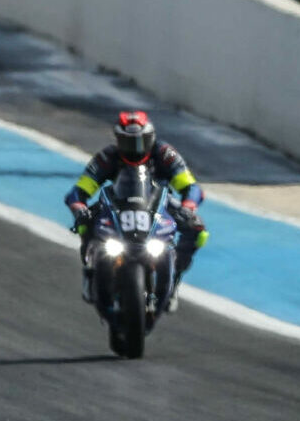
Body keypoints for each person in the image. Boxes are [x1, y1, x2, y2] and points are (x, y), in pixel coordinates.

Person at [65, 111, 208, 298]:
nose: (136, 148)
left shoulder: (165, 154)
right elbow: (78, 192)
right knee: (85, 223)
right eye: (129, 142)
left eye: (142, 140)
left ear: (151, 137)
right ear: (118, 140)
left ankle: (175, 275)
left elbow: (192, 188)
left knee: (197, 230)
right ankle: (91, 270)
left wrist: (187, 208)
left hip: (160, 203)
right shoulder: (108, 157)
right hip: (116, 204)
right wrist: (80, 209)